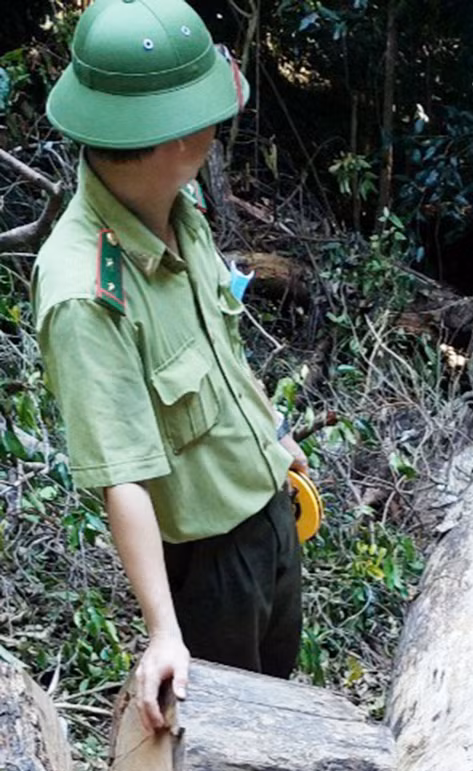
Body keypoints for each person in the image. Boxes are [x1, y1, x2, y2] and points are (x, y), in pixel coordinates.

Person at [33, 0, 308, 733]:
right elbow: (121, 473)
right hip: (208, 566)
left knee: (282, 711)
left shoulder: (175, 208)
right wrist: (164, 631)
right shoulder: (86, 292)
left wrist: (270, 436)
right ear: (181, 137)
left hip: (269, 511)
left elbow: (220, 345)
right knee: (230, 752)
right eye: (212, 116)